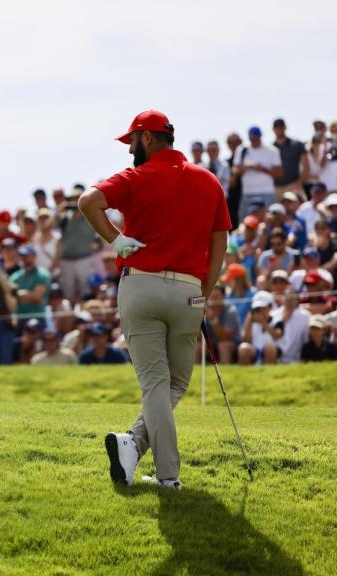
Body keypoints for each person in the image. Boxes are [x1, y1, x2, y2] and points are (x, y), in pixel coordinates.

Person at [80, 110, 231, 491]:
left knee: (158, 384)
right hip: (188, 292)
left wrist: (115, 240)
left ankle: (162, 472)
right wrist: (204, 293)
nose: (129, 149)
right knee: (175, 383)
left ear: (146, 138)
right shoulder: (208, 180)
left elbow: (88, 202)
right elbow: (219, 243)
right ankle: (136, 449)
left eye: (131, 141)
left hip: (141, 287)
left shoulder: (136, 176)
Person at [58, 187, 98, 303]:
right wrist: (59, 210)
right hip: (66, 261)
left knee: (86, 292)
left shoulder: (91, 217)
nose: (76, 203)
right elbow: (49, 227)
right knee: (68, 293)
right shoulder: (64, 218)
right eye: (73, 200)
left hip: (84, 259)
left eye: (78, 199)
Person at [234, 125, 283, 219]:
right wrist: (249, 167)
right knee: (246, 221)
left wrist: (263, 169)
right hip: (247, 192)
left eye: (256, 137)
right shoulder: (242, 150)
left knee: (269, 220)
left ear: (260, 136)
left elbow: (279, 174)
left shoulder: (272, 150)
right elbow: (236, 171)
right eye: (252, 137)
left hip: (267, 192)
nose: (254, 140)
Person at [10, 246, 52, 331]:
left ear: (34, 256)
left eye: (26, 255)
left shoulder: (42, 274)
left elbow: (37, 298)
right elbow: (9, 298)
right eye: (22, 255)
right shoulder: (15, 276)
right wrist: (28, 295)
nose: (24, 258)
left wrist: (17, 295)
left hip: (37, 318)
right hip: (19, 319)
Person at [238, 291, 282, 365]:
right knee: (243, 348)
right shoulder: (251, 321)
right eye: (257, 309)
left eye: (262, 308)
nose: (259, 311)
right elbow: (246, 340)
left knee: (269, 347)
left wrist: (263, 323)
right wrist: (249, 321)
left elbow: (277, 336)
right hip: (255, 351)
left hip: (273, 352)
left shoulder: (277, 318)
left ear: (270, 306)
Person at [269, 288, 311, 364]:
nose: (289, 300)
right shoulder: (274, 314)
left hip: (297, 360)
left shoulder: (305, 316)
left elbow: (306, 340)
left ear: (297, 300)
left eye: (292, 297)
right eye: (287, 297)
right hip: (276, 359)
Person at [271, 118, 309, 199]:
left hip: (294, 186)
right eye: (276, 127)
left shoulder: (297, 144)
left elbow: (306, 167)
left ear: (285, 128)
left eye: (281, 127)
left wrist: (298, 184)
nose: (279, 129)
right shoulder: (270, 148)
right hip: (276, 188)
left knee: (302, 209)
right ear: (273, 129)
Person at [203, 285, 241, 364]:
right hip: (212, 344)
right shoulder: (205, 310)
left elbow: (224, 338)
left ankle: (225, 372)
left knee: (223, 346)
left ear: (224, 297)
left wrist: (213, 320)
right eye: (211, 297)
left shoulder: (231, 311)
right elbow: (198, 338)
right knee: (199, 346)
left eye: (216, 297)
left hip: (233, 345)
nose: (213, 300)